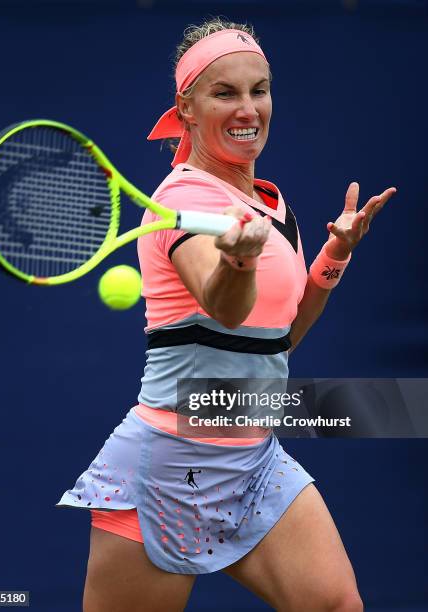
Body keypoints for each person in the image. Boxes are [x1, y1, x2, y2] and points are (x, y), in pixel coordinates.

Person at [57, 17, 396, 612]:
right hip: (172, 460)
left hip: (252, 451)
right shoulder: (179, 203)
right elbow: (225, 309)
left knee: (338, 605)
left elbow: (277, 340)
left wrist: (336, 253)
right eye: (225, 93)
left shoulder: (267, 202)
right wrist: (237, 266)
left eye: (258, 89)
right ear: (185, 108)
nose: (248, 108)